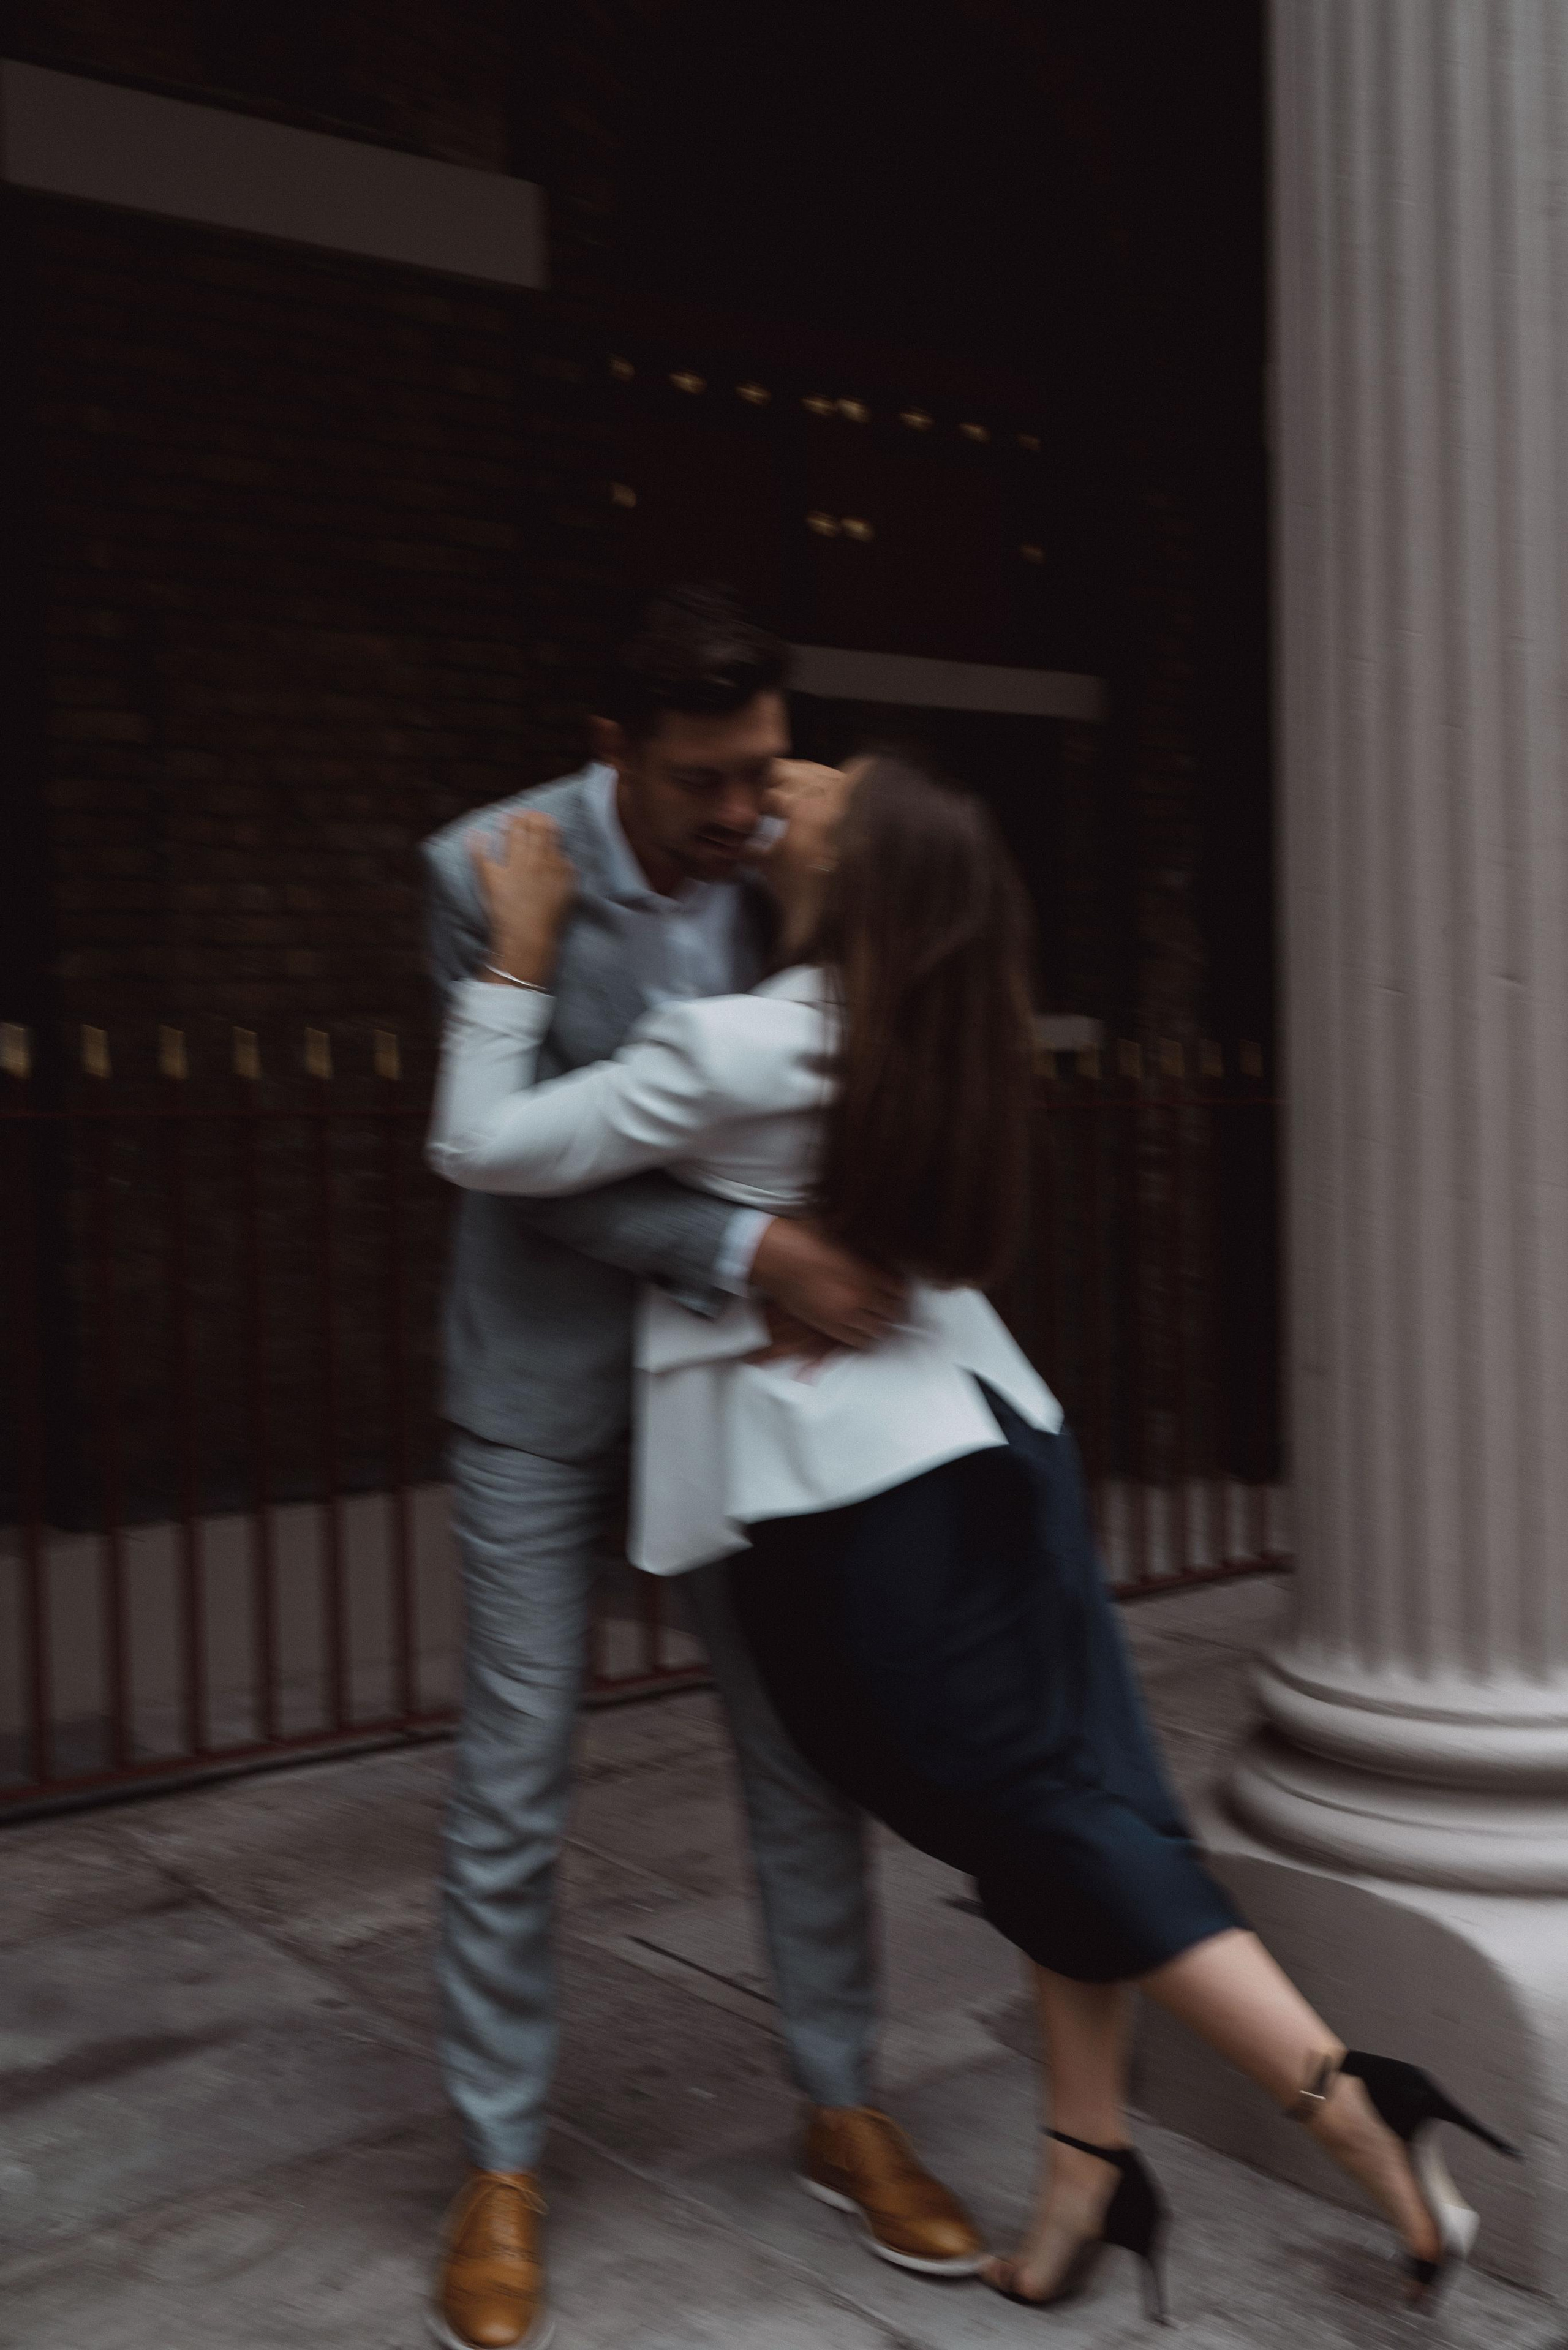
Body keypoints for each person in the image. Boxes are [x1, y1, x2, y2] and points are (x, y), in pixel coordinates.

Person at [428, 748, 1519, 2324]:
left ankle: (1356, 2105)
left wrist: (519, 960)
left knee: (1034, 1822)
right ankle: (1085, 2166)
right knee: (1083, 1800)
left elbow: (482, 1145)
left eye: (822, 789)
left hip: (867, 1498)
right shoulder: (936, 1021)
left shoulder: (729, 1037)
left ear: (855, 878)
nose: (788, 787)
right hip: (1005, 1436)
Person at [420, 590, 984, 2350]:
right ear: (611, 748)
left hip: (741, 1398)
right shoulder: (478, 870)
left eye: (766, 769)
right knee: (516, 1776)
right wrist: (756, 1251)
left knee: (800, 1751)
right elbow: (520, 1166)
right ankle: (500, 2160)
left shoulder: (783, 861)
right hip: (543, 1384)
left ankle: (841, 2099)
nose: (745, 810)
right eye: (706, 779)